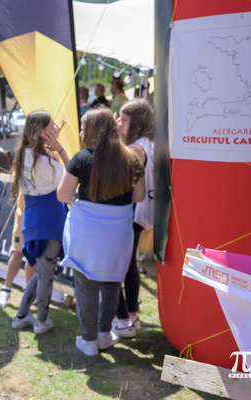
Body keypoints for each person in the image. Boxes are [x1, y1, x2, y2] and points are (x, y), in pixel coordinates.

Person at [57, 107, 145, 356]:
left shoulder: (81, 159)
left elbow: (63, 195)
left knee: (86, 284)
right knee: (112, 281)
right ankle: (105, 334)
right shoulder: (131, 159)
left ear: (92, 130)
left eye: (83, 127)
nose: (80, 132)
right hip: (118, 233)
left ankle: (89, 340)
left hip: (86, 233)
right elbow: (139, 197)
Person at [10, 110, 69, 335]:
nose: (55, 130)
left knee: (43, 269)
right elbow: (72, 174)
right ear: (41, 131)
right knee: (46, 273)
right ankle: (41, 321)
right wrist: (59, 149)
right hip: (50, 219)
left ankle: (21, 316)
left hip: (34, 220)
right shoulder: (44, 161)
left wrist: (50, 147)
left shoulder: (23, 154)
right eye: (51, 127)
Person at [113, 98, 155, 337]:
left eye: (124, 120)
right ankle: (131, 316)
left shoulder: (136, 149)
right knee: (129, 265)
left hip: (131, 213)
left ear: (136, 123)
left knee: (118, 265)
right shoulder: (148, 144)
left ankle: (123, 319)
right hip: (141, 213)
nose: (119, 124)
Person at [0, 192, 36, 307]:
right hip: (23, 215)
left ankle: (29, 293)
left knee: (32, 256)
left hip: (38, 217)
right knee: (17, 253)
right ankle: (6, 289)